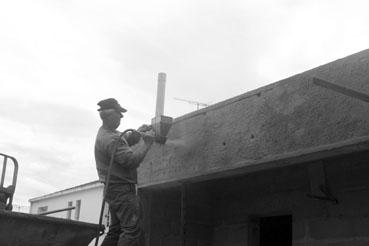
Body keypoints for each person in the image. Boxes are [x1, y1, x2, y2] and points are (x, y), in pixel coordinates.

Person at [94, 98, 154, 246]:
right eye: (119, 113)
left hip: (113, 190)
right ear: (109, 115)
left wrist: (137, 134)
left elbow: (122, 141)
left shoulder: (106, 133)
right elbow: (131, 161)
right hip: (122, 191)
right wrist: (147, 143)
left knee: (116, 230)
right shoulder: (110, 138)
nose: (122, 117)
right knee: (131, 230)